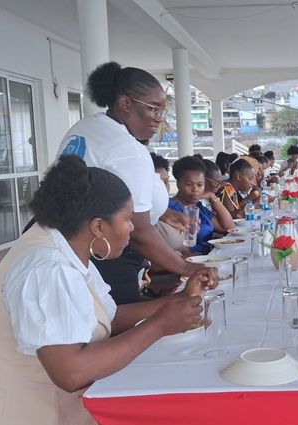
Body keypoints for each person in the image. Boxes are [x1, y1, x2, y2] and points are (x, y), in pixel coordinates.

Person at [0, 156, 214, 425]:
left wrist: (177, 302)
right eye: (127, 220)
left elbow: (107, 316)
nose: (132, 228)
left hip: (53, 414)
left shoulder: (65, 245)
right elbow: (70, 372)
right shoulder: (47, 268)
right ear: (98, 227)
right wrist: (159, 325)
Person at [58, 61, 204, 305]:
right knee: (117, 329)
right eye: (153, 109)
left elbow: (110, 195)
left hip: (73, 248)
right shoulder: (126, 149)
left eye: (162, 112)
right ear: (125, 103)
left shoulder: (85, 128)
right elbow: (139, 232)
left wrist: (163, 213)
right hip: (108, 256)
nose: (159, 119)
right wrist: (186, 268)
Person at [168, 157, 235, 255]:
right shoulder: (169, 208)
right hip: (188, 262)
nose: (195, 189)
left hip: (209, 256)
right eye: (189, 184)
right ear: (178, 184)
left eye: (200, 185)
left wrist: (213, 198)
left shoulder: (198, 207)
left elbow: (229, 227)